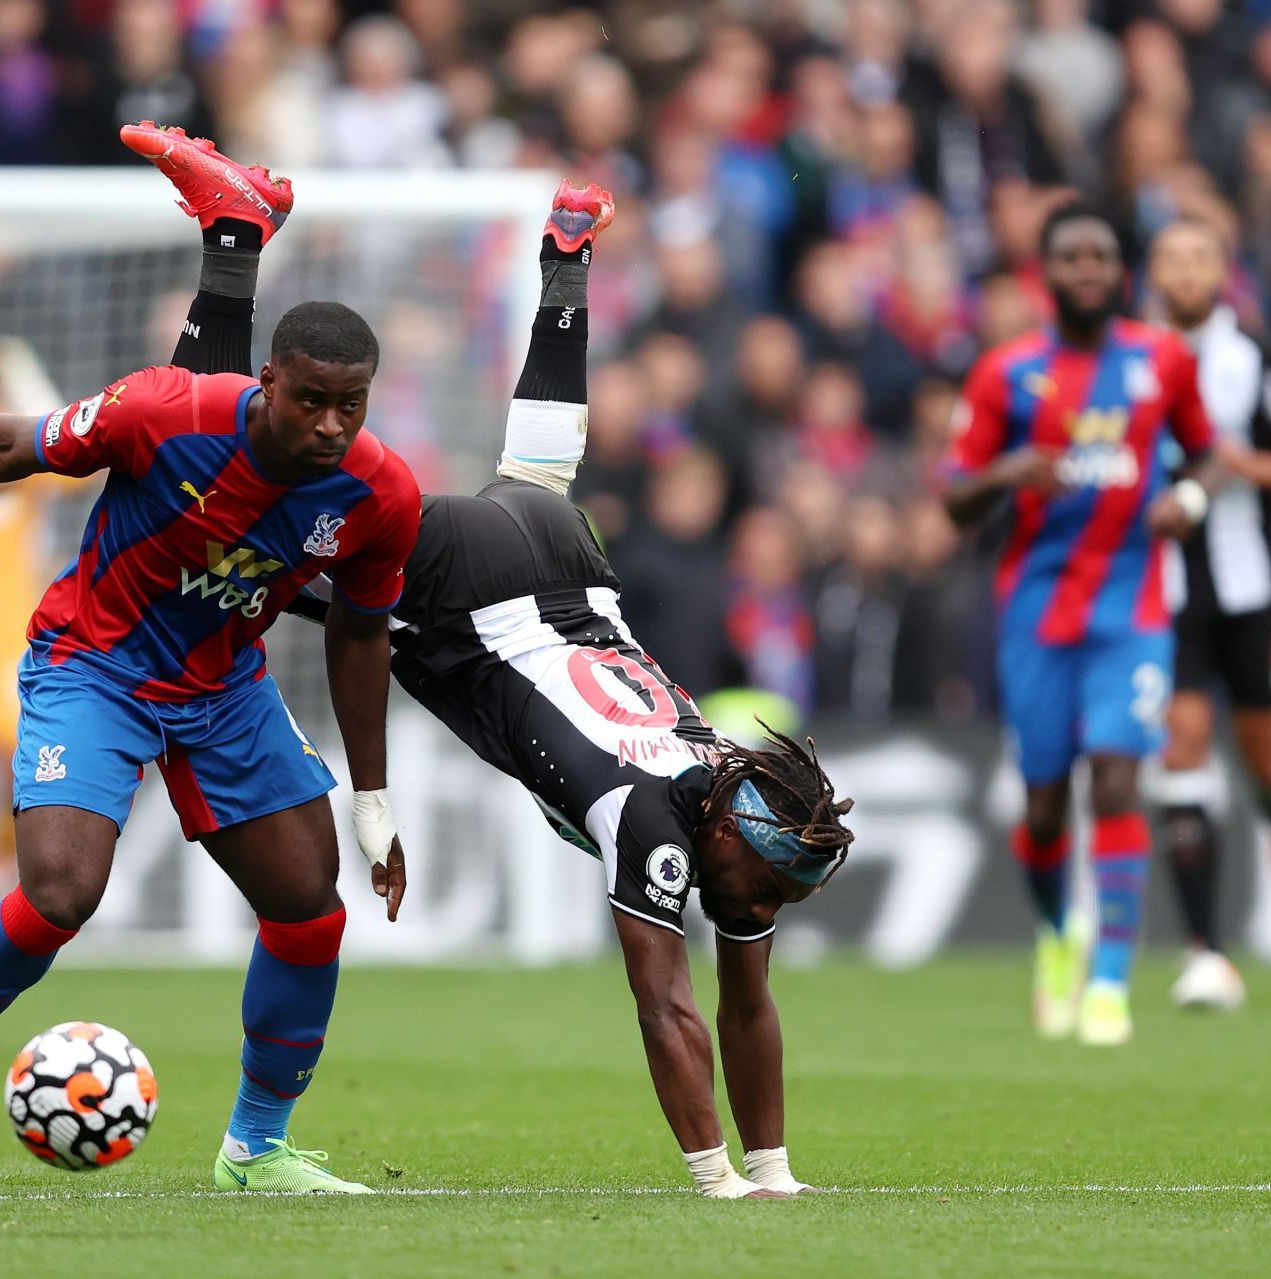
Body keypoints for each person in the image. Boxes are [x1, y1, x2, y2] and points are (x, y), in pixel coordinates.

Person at [0, 126, 421, 1194]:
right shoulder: (168, 410)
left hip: (222, 688)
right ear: (271, 382)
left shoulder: (380, 494)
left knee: (311, 906)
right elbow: (14, 444)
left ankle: (255, 1148)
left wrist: (374, 797)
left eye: (354, 406)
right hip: (93, 663)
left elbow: (358, 630)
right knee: (60, 890)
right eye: (312, 402)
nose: (333, 426)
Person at [275, 179, 853, 1197]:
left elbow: (749, 1003)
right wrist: (723, 1180)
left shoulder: (742, 811)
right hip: (484, 603)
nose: (760, 904)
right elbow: (669, 1004)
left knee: (536, 466)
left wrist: (780, 1172)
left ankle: (566, 261)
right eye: (766, 885)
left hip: (567, 563)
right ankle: (226, 275)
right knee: (243, 544)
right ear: (733, 840)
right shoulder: (666, 825)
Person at [943, 203, 1220, 1047]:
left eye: (1102, 254)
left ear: (1120, 270)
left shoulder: (1162, 360)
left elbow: (1205, 448)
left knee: (1117, 778)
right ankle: (1056, 931)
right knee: (1044, 805)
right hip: (1035, 605)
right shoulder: (1006, 374)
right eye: (1072, 256)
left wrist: (1190, 496)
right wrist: (1006, 471)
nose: (1089, 268)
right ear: (1047, 272)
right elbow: (954, 499)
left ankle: (1109, 981)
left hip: (1132, 607)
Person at [1146, 218, 1271, 1009]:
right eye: (1172, 258)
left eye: (1200, 258)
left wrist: (1246, 465)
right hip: (1165, 595)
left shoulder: (1258, 358)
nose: (1186, 272)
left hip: (1251, 592)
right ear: (1153, 272)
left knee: (1267, 765)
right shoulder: (1130, 359)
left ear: (1223, 270)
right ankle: (1207, 951)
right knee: (1183, 747)